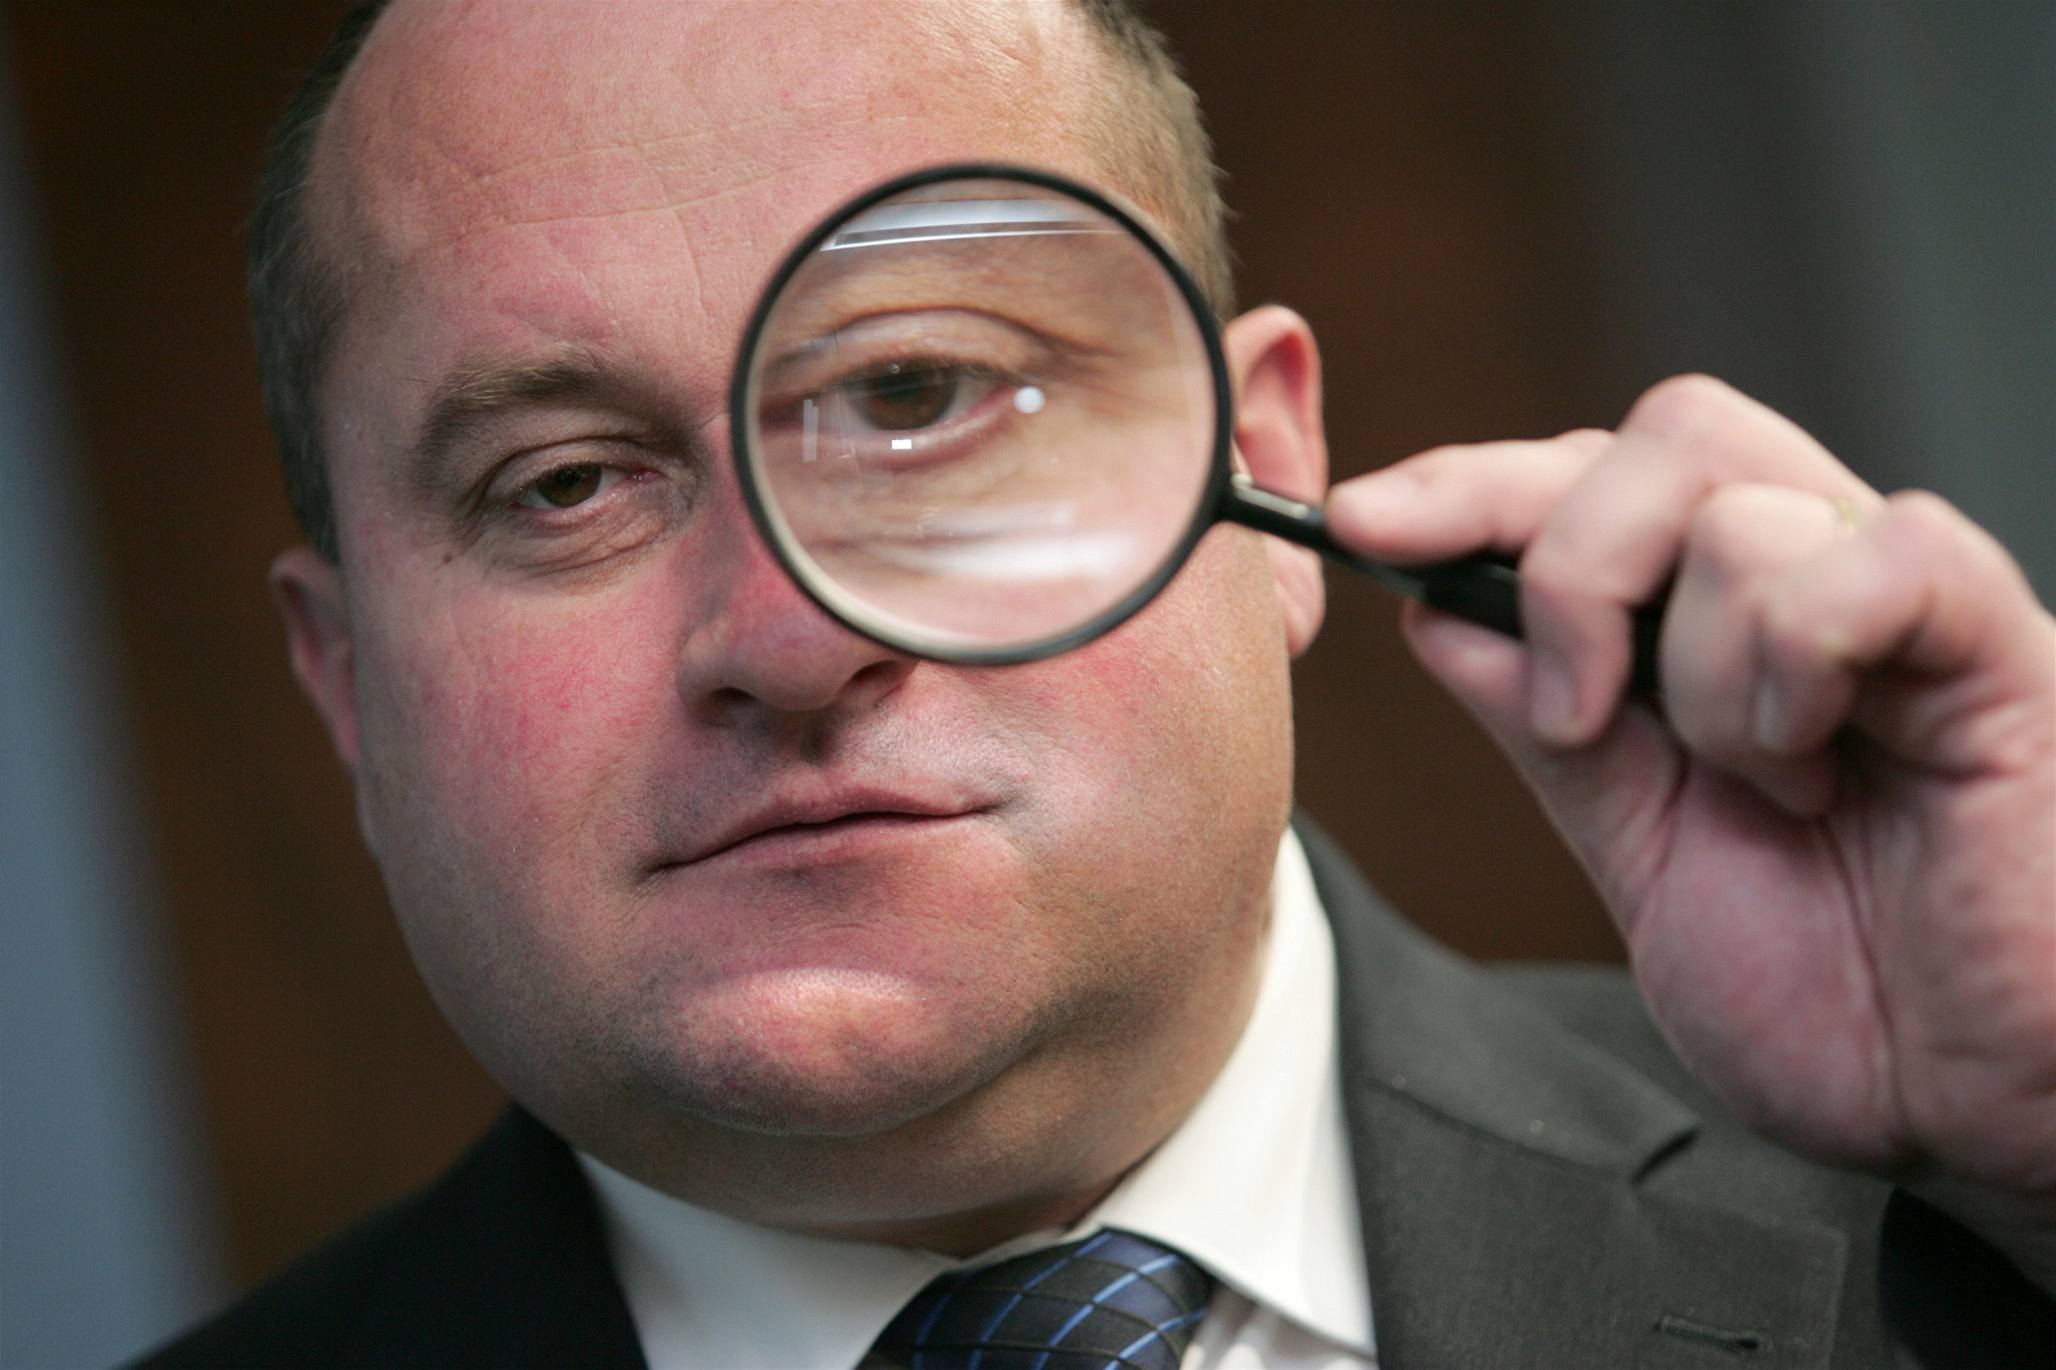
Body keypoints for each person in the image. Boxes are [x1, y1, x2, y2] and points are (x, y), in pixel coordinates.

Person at [140, 1, 2054, 1366]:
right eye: (561, 485)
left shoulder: (1992, 1219)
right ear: (348, 688)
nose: (789, 639)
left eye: (916, 393)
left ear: (1261, 473)